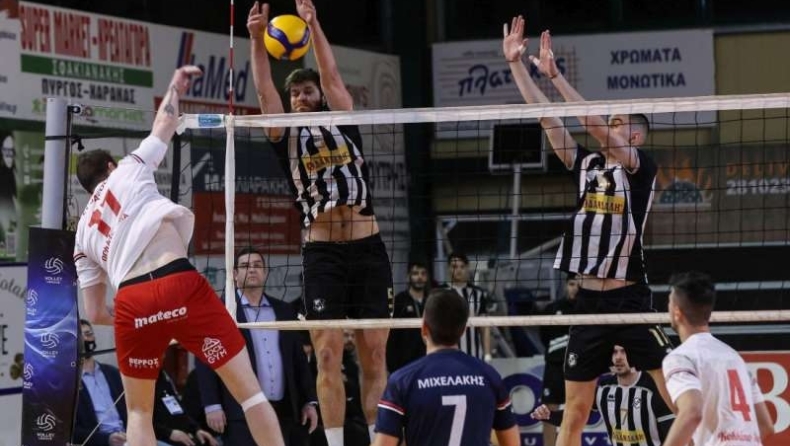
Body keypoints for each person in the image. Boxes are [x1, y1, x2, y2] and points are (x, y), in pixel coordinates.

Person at [73, 65, 284, 446]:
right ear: (110, 166)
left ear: (86, 188)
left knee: (139, 413)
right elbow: (165, 122)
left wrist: (152, 322)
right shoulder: (127, 169)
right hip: (178, 282)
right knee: (251, 394)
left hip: (132, 302)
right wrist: (175, 84)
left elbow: (95, 313)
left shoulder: (81, 234)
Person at [503, 16, 672, 446]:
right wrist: (517, 66)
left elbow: (593, 126)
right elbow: (547, 119)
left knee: (674, 392)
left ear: (635, 135)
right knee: (574, 412)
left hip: (629, 298)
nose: (607, 126)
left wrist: (556, 76)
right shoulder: (588, 165)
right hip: (589, 303)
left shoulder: (640, 168)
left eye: (617, 123)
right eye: (610, 121)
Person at [248, 1, 392, 445]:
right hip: (322, 253)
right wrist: (256, 41)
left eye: (307, 92)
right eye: (295, 94)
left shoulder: (341, 118)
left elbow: (331, 75)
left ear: (320, 97)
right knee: (327, 354)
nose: (301, 98)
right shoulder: (284, 133)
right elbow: (264, 93)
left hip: (368, 248)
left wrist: (314, 23)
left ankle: (379, 439)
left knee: (374, 356)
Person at [196, 246, 319, 446]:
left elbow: (298, 359)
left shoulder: (284, 310)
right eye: (245, 266)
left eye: (257, 265)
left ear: (265, 272)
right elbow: (205, 359)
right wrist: (212, 404)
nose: (252, 269)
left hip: (284, 412)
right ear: (234, 274)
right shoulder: (220, 311)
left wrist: (308, 401)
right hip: (240, 411)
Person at [372, 288, 520, 446]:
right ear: (463, 330)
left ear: (424, 328)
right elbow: (512, 443)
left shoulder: (402, 381)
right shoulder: (489, 376)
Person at [662, 271, 774, 446]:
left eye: (669, 302)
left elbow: (692, 412)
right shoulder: (734, 357)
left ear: (677, 312)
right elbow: (766, 426)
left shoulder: (680, 357)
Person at [532, 345, 675, 446]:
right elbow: (576, 416)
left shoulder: (655, 388)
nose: (618, 357)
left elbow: (671, 433)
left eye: (623, 352)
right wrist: (549, 415)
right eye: (614, 352)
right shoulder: (604, 388)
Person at [73, 319, 129, 446]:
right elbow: (71, 432)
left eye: (88, 334)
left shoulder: (113, 373)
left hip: (130, 438)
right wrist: (107, 439)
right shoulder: (68, 383)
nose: (86, 339)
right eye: (80, 336)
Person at [538, 274, 579, 446]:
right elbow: (544, 336)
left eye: (578, 284)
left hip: (577, 366)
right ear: (566, 285)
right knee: (549, 409)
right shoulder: (552, 308)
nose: (575, 288)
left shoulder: (588, 308)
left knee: (576, 411)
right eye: (572, 284)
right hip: (554, 366)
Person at [443, 252, 491, 361]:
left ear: (467, 268)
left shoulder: (478, 293)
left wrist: (487, 354)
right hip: (448, 355)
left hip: (474, 355)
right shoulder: (439, 293)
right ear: (449, 268)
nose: (458, 270)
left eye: (462, 266)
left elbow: (485, 327)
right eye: (454, 266)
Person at [153, 367, 218, 446]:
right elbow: (141, 422)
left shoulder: (162, 375)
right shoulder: (143, 379)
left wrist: (196, 429)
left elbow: (177, 409)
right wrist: (169, 433)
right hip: (158, 436)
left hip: (179, 433)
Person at [386, 261, 430, 373]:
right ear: (408, 277)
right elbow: (391, 337)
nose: (419, 277)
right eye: (415, 273)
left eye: (423, 273)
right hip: (404, 364)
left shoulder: (431, 301)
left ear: (427, 277)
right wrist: (393, 367)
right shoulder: (399, 301)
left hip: (427, 362)